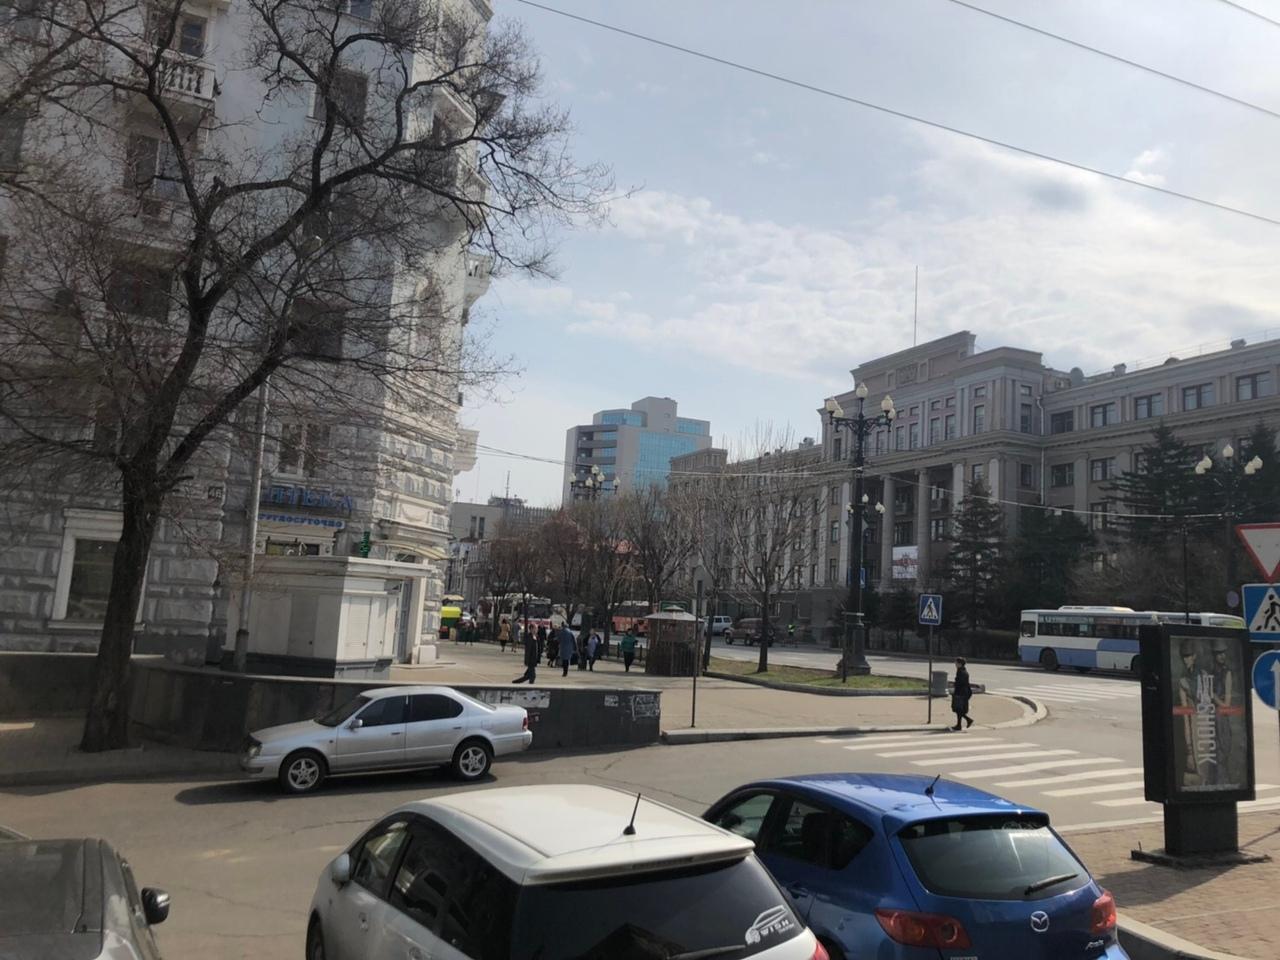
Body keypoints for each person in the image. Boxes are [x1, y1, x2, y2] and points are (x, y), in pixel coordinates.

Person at [511, 619, 539, 684]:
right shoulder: (530, 637)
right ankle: (530, 687)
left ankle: (515, 682)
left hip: (534, 660)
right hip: (531, 660)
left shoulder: (535, 636)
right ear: (531, 629)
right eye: (535, 628)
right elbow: (528, 650)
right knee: (533, 676)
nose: (537, 630)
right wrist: (527, 661)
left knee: (528, 676)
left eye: (537, 628)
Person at [950, 657, 974, 731]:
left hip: (961, 693)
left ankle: (968, 720)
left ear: (960, 664)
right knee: (959, 709)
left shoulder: (961, 672)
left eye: (956, 662)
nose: (955, 664)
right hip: (963, 692)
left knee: (958, 709)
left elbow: (961, 683)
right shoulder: (962, 670)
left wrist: (955, 685)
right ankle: (959, 725)